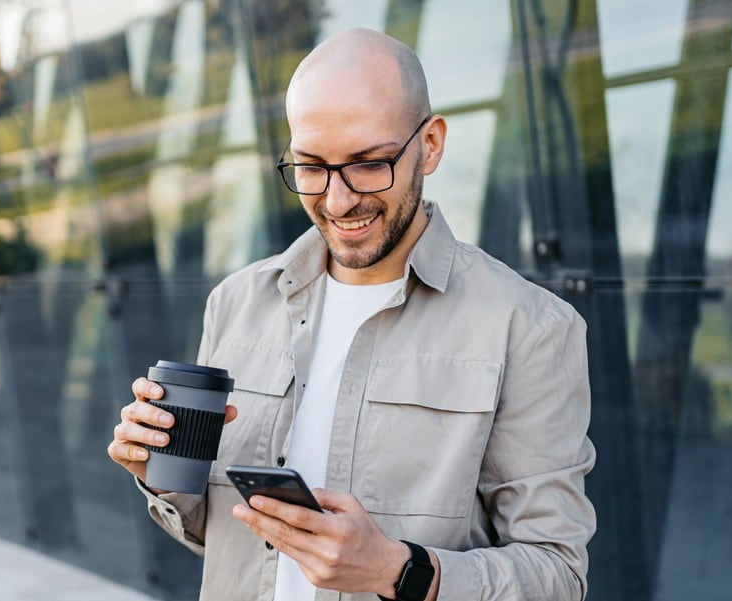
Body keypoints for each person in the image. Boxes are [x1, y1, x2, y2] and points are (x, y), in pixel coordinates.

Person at [108, 28, 595, 601]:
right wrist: (162, 478)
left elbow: (559, 576)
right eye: (311, 167)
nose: (338, 202)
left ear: (431, 145)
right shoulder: (236, 303)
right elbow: (221, 537)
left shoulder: (531, 329)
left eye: (368, 164)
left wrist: (400, 571)